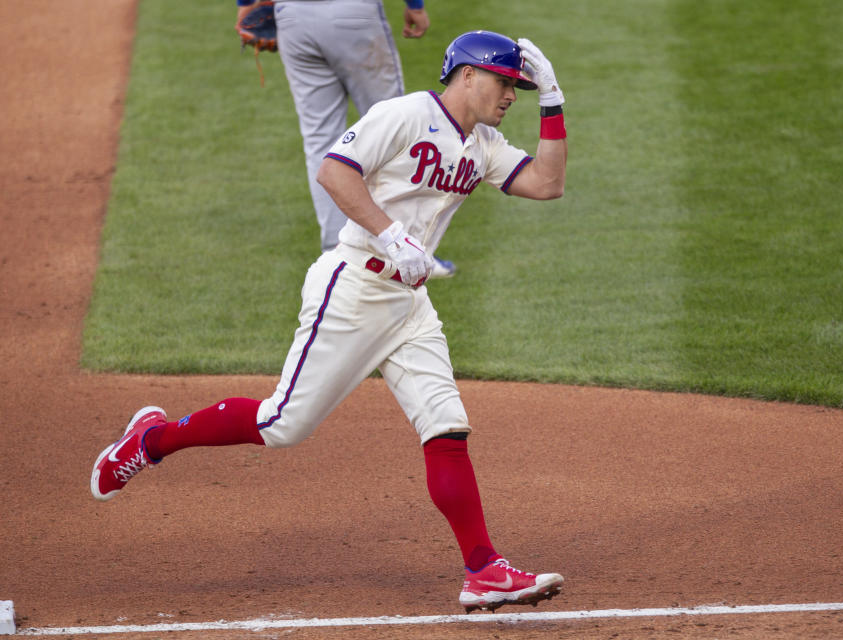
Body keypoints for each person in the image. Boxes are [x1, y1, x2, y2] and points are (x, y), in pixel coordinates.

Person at [92, 30, 568, 613]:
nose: (510, 95)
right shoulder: (404, 115)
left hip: (409, 304)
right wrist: (392, 234)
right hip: (354, 288)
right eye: (505, 83)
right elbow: (335, 171)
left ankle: (483, 571)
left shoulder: (484, 145)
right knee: (282, 424)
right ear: (468, 75)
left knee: (445, 426)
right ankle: (152, 438)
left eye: (518, 88)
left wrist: (552, 103)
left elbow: (548, 184)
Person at [236, 0, 457, 278]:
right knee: (398, 132)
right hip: (355, 15)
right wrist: (415, 6)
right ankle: (409, 250)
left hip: (293, 18)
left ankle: (333, 253)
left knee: (320, 139)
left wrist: (245, 4)